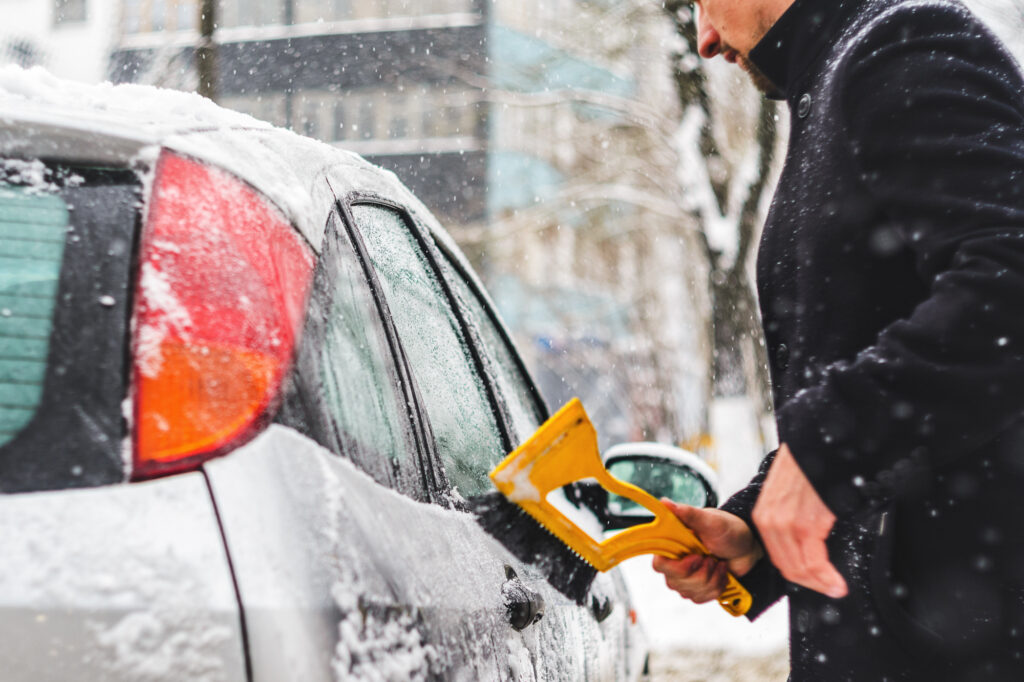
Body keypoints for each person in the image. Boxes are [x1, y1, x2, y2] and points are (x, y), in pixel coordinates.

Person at [651, 0, 1024, 678]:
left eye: (705, 2)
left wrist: (827, 451)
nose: (704, 39)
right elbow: (862, 352)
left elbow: (1009, 283)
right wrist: (762, 525)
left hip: (963, 638)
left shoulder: (906, 47)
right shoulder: (842, 78)